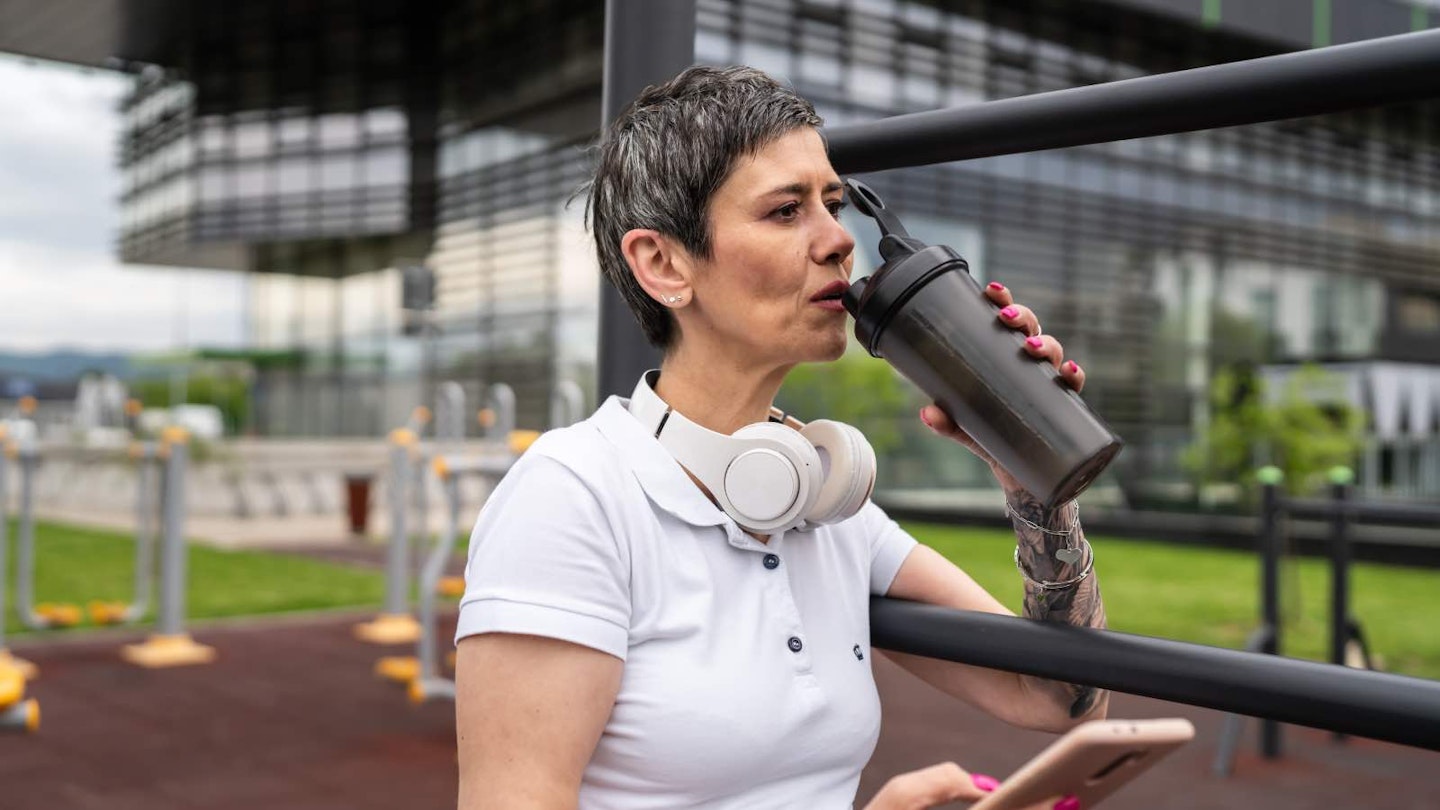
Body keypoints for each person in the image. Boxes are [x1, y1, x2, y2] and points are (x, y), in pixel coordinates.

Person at [454, 65, 1108, 810]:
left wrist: (1032, 479)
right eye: (785, 211)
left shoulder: (827, 502)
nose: (838, 241)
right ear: (662, 263)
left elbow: (1060, 700)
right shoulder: (573, 497)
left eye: (833, 203)